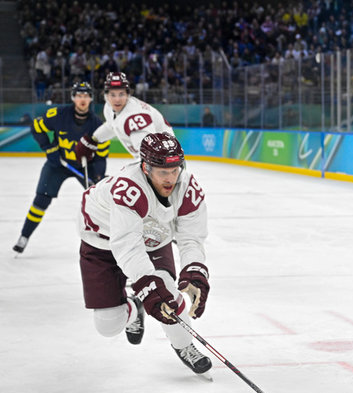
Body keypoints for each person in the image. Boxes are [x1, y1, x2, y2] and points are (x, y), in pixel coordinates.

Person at [78, 132, 212, 376]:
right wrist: (146, 286)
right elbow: (127, 245)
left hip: (151, 233)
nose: (171, 178)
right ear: (146, 167)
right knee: (108, 326)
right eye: (163, 172)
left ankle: (185, 345)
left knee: (168, 290)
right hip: (101, 241)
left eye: (175, 170)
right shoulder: (129, 188)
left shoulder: (187, 187)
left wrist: (194, 270)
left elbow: (191, 237)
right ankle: (133, 309)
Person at [12, 82, 110, 254]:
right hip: (58, 163)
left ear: (90, 99)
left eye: (86, 96)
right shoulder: (58, 115)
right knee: (41, 199)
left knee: (101, 202)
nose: (82, 99)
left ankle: (107, 240)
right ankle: (24, 236)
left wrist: (99, 175)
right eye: (79, 95)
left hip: (85, 166)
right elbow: (36, 127)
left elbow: (101, 156)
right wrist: (49, 149)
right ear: (73, 98)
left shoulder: (98, 126)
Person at [79, 72, 174, 159]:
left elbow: (150, 153)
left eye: (121, 94)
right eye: (112, 94)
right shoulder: (109, 108)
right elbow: (112, 126)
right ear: (106, 96)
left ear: (128, 95)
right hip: (149, 161)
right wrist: (94, 139)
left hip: (165, 162)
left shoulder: (134, 116)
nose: (117, 100)